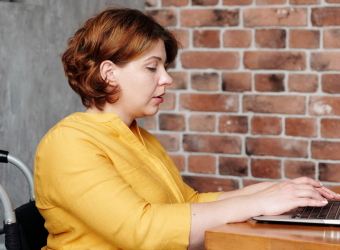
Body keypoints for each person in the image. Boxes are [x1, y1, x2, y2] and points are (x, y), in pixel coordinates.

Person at [34, 6, 340, 250]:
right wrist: (259, 203)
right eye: (152, 67)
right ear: (109, 73)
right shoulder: (69, 143)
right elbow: (143, 232)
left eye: (165, 68)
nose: (166, 79)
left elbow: (188, 204)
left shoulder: (140, 138)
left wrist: (279, 191)